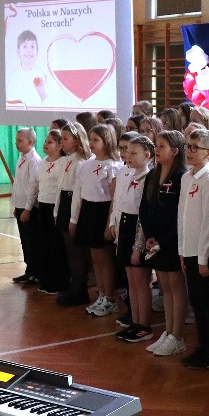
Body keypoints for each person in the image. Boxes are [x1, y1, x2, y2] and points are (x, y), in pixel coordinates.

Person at [177, 128, 209, 369]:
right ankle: (201, 347)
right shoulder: (186, 178)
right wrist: (181, 249)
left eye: (195, 148)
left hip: (204, 254)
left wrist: (203, 258)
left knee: (207, 303)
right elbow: (182, 216)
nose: (189, 151)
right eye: (188, 146)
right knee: (196, 302)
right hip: (189, 250)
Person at [138, 130, 189, 357]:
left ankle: (178, 336)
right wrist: (150, 236)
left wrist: (164, 240)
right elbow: (144, 207)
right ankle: (168, 332)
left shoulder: (181, 177)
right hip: (155, 242)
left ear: (175, 151)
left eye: (161, 146)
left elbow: (180, 215)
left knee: (176, 287)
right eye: (156, 145)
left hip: (172, 241)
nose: (156, 150)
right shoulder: (153, 174)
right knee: (165, 288)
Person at [70, 124, 122, 317]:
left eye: (96, 140)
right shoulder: (86, 164)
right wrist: (75, 218)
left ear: (107, 142)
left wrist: (110, 223)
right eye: (90, 139)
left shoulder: (113, 166)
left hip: (102, 212)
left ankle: (109, 298)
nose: (91, 143)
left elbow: (114, 198)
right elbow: (80, 191)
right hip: (89, 211)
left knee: (104, 258)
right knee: (95, 258)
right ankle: (101, 294)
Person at [112, 134, 155, 343]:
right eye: (127, 152)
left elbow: (144, 214)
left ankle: (144, 325)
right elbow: (121, 203)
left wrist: (138, 245)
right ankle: (135, 322)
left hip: (139, 229)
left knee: (141, 280)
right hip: (126, 226)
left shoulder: (149, 178)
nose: (127, 156)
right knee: (131, 280)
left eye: (133, 152)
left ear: (147, 155)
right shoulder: (129, 174)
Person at [55, 122, 92, 306]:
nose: (61, 142)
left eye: (65, 138)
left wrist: (73, 218)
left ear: (77, 140)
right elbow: (60, 187)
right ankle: (74, 286)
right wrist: (56, 210)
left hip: (73, 205)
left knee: (76, 250)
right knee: (69, 250)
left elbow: (77, 192)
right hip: (64, 203)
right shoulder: (66, 159)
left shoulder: (81, 162)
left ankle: (80, 290)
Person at [36, 129, 70, 295]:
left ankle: (59, 281)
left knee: (56, 245)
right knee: (44, 243)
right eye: (45, 141)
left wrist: (57, 210)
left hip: (55, 207)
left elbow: (60, 188)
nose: (45, 144)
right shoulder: (43, 162)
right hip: (43, 206)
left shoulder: (63, 163)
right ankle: (46, 279)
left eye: (50, 142)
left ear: (59, 146)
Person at [11, 128, 42, 285]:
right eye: (16, 140)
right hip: (20, 205)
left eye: (20, 141)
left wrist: (28, 208)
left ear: (30, 142)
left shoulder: (34, 160)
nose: (16, 143)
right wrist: (15, 205)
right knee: (24, 240)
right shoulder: (22, 158)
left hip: (28, 208)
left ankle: (35, 272)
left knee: (32, 240)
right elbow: (18, 184)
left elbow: (33, 186)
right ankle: (29, 270)